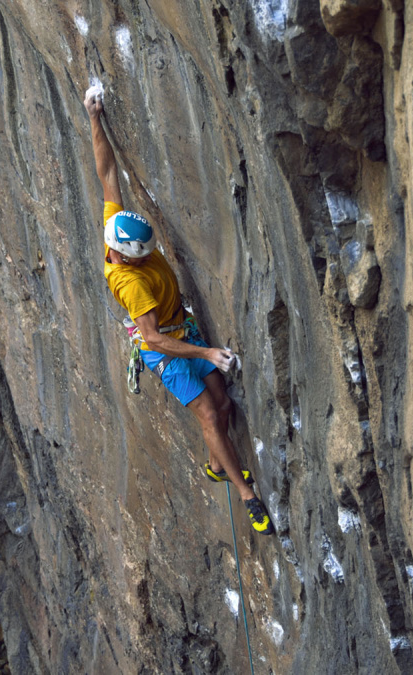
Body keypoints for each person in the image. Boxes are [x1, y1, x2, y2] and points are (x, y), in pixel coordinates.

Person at [84, 86, 273, 535]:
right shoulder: (131, 283)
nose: (151, 257)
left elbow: (106, 170)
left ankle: (216, 464)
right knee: (209, 414)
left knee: (224, 405)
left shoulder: (116, 227)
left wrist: (94, 116)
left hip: (180, 330)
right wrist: (207, 354)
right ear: (126, 257)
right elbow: (152, 339)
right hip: (165, 349)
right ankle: (247, 495)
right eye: (144, 255)